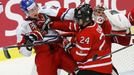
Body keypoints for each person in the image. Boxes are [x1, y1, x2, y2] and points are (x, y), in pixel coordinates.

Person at [48, 4, 113, 75]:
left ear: (86, 18)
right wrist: (51, 24)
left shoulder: (86, 33)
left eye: (78, 19)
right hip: (104, 67)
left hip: (95, 69)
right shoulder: (93, 25)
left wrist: (69, 46)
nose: (76, 20)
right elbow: (69, 26)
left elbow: (79, 57)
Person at [17, 0, 77, 75]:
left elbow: (65, 13)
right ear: (26, 12)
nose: (35, 11)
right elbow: (25, 53)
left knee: (78, 70)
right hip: (44, 55)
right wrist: (29, 42)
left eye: (35, 8)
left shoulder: (45, 11)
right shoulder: (23, 28)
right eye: (31, 11)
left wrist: (77, 11)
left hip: (59, 48)